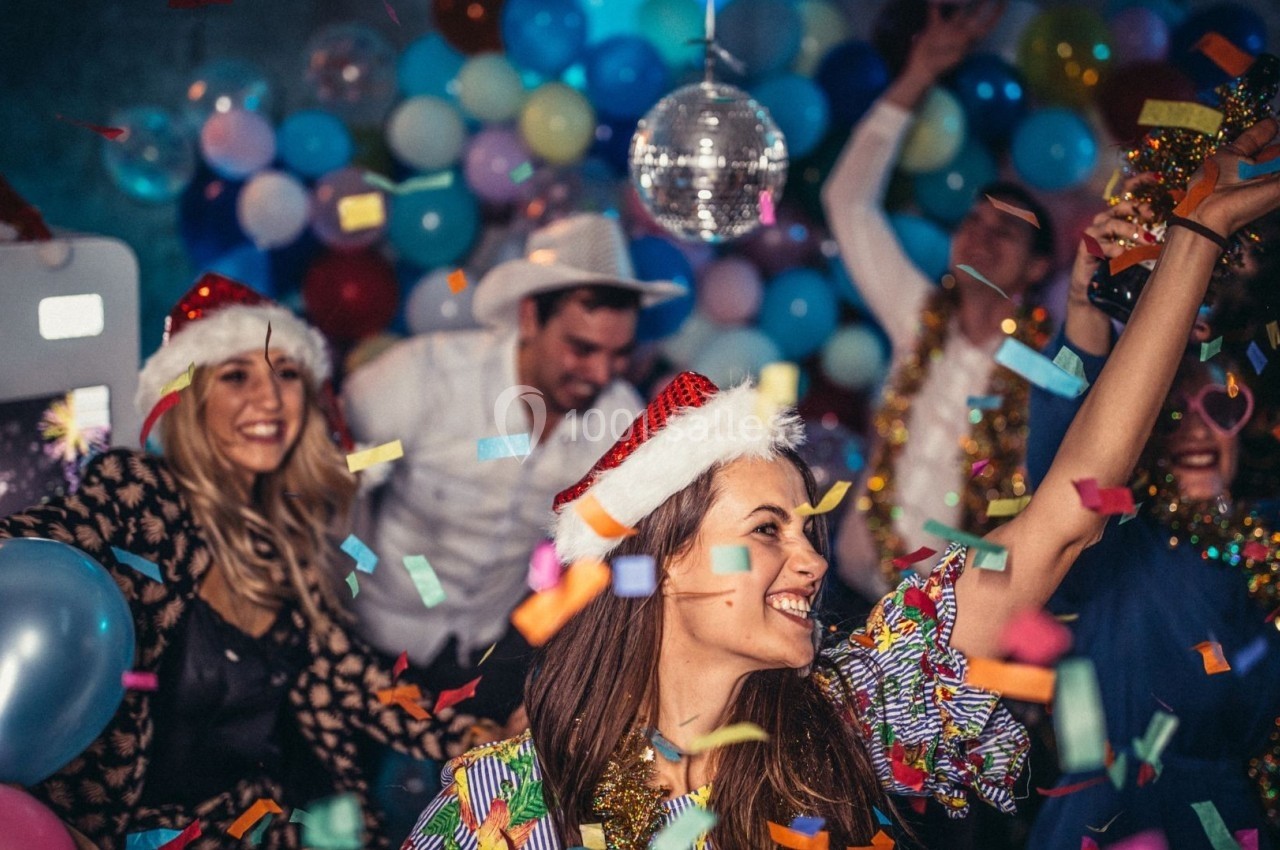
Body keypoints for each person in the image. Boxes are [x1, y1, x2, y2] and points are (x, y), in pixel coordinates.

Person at [400, 120, 1280, 849]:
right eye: (767, 529)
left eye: (807, 529)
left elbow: (1067, 515)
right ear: (664, 560)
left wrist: (1195, 240)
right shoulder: (511, 803)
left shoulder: (854, 710)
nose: (814, 561)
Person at [0, 274, 474, 850]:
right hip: (122, 835)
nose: (270, 400)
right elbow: (34, 542)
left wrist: (468, 734)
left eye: (287, 374)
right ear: (193, 398)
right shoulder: (141, 493)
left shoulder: (287, 534)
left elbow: (348, 677)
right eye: (236, 375)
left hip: (256, 825)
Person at [341, 213, 684, 724]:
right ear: (529, 319)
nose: (600, 374)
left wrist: (543, 656)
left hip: (488, 653)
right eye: (582, 348)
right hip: (367, 637)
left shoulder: (619, 420)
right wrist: (332, 606)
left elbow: (614, 558)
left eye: (618, 355)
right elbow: (328, 475)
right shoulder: (426, 376)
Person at [1025, 190, 1280, 848]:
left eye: (1220, 408)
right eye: (1169, 415)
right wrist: (1085, 310)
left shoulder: (1269, 543)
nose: (1195, 430)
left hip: (1231, 822)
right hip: (1106, 816)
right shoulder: (1111, 542)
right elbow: (1064, 465)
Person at [822, 0, 1055, 603]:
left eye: (1006, 231)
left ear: (1037, 268)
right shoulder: (917, 312)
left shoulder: (1048, 371)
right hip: (848, 592)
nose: (982, 235)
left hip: (950, 622)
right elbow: (847, 202)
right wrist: (918, 75)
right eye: (973, 221)